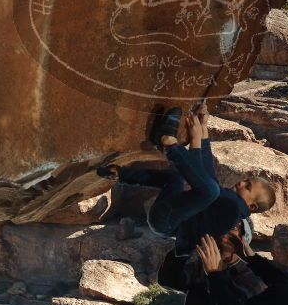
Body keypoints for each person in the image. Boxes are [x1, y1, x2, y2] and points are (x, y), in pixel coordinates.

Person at [97, 103, 277, 255]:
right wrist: (203, 131)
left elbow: (205, 185)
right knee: (176, 178)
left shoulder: (232, 210)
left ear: (251, 206)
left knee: (211, 190)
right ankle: (120, 174)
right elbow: (206, 175)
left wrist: (196, 140)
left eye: (248, 186)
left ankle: (169, 144)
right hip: (166, 215)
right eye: (246, 180)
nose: (241, 182)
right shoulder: (230, 205)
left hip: (166, 221)